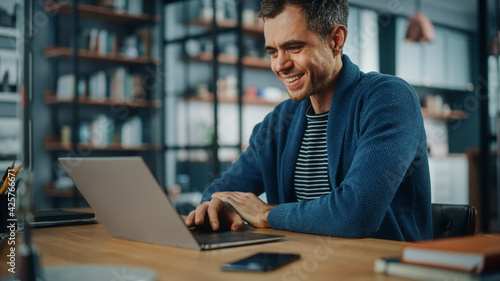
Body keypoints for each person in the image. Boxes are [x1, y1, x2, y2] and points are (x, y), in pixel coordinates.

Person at [185, 0, 432, 242]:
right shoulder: (280, 120)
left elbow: (357, 211)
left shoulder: (388, 98)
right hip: (298, 265)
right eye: (272, 51)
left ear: (336, 40)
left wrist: (266, 214)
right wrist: (218, 207)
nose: (279, 65)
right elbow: (219, 191)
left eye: (294, 47)